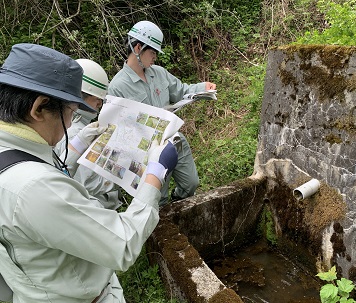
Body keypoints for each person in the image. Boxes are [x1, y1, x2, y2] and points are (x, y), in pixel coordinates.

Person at [0, 43, 177, 303]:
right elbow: (123, 243)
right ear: (39, 108)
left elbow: (33, 168)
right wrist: (154, 175)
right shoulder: (35, 189)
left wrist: (75, 148)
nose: (71, 123)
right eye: (70, 112)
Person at [108, 20, 216, 206]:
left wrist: (203, 87)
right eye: (153, 52)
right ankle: (164, 223)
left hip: (174, 139)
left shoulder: (158, 73)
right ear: (137, 48)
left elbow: (181, 90)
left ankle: (178, 202)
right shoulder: (118, 87)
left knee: (191, 183)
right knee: (159, 197)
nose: (155, 57)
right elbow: (117, 129)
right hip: (149, 152)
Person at [54, 58, 122, 210]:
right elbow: (86, 184)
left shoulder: (77, 125)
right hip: (95, 209)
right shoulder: (74, 133)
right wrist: (119, 177)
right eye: (96, 98)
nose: (100, 103)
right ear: (80, 96)